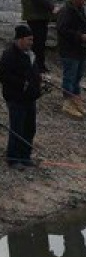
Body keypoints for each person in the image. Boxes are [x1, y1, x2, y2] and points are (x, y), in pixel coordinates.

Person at [0, 25, 43, 169]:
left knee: (29, 128)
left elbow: (34, 72)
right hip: (16, 99)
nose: (31, 42)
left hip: (30, 98)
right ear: (20, 39)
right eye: (29, 39)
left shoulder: (30, 54)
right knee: (17, 129)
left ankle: (25, 156)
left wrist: (37, 83)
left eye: (32, 40)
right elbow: (5, 76)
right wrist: (23, 84)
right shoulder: (9, 55)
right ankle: (13, 159)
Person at [56, 0, 86, 119]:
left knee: (78, 77)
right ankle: (67, 104)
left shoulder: (80, 9)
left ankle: (76, 101)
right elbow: (62, 29)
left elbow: (85, 25)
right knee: (69, 77)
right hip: (69, 50)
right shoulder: (66, 11)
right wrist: (80, 36)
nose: (84, 0)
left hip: (80, 49)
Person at [19, 0, 57, 74]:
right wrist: (51, 7)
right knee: (38, 42)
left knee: (39, 41)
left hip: (39, 16)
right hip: (36, 16)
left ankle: (39, 65)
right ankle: (38, 66)